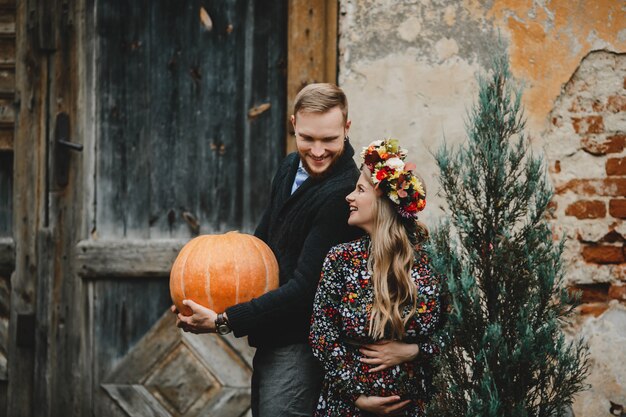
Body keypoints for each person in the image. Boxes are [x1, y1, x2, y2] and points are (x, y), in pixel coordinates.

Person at [172, 83, 364, 416]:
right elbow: (263, 247)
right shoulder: (289, 167)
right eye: (307, 138)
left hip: (302, 343)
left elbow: (307, 290)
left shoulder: (343, 193)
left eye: (330, 139)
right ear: (293, 125)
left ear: (346, 129)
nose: (318, 151)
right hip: (272, 335)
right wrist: (209, 292)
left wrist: (224, 319)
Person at [309, 139, 444, 416]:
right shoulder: (341, 259)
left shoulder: (431, 261)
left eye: (360, 189)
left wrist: (414, 351)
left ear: (385, 201)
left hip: (416, 406)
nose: (350, 197)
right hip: (347, 406)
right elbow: (321, 334)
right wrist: (357, 396)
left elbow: (458, 329)